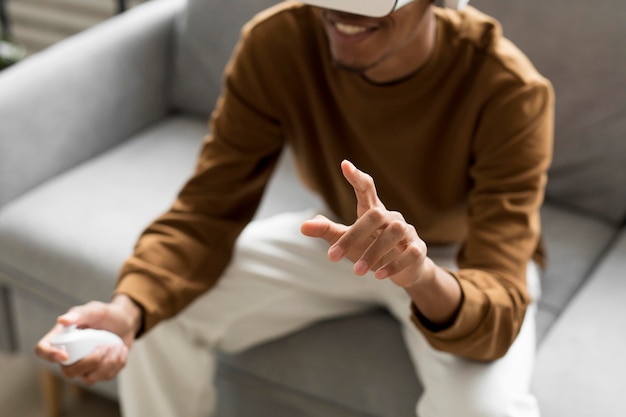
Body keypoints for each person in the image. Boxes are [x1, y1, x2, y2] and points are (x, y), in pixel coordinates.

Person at [35, 0, 554, 415]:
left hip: (457, 267)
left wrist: (419, 274)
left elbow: (499, 298)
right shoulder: (280, 40)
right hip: (344, 239)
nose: (343, 14)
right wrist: (127, 311)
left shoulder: (509, 90)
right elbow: (207, 208)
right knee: (159, 310)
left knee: (486, 408)